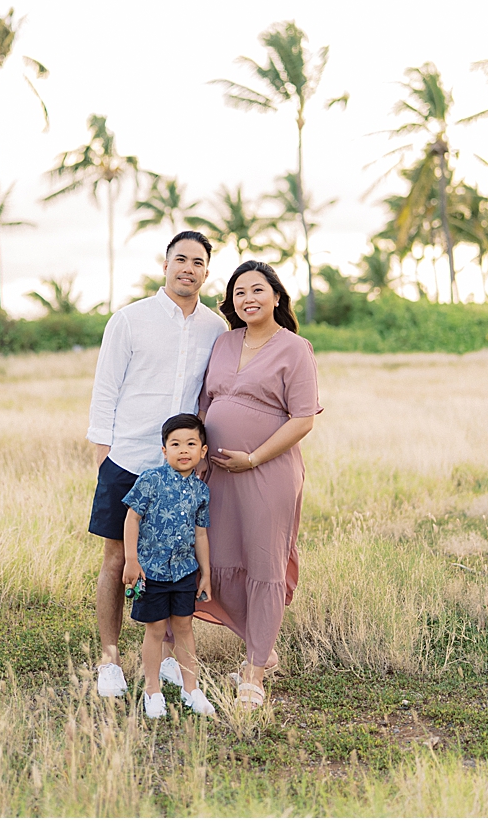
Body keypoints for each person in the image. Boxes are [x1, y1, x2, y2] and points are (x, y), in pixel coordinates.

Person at [86, 230, 228, 699]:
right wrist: (104, 454)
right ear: (164, 265)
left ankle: (168, 659)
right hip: (127, 456)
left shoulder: (215, 328)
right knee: (116, 560)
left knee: (175, 562)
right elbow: (105, 387)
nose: (189, 268)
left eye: (198, 262)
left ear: (207, 271)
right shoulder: (129, 320)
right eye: (180, 259)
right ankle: (110, 660)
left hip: (180, 469)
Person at [194, 260, 320, 708]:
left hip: (268, 471)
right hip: (218, 472)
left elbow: (303, 418)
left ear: (277, 297)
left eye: (257, 290)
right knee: (221, 558)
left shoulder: (295, 348)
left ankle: (253, 672)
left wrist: (254, 457)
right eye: (239, 292)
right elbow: (207, 403)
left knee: (264, 563)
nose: (248, 298)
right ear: (231, 301)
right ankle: (263, 651)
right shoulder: (223, 342)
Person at [122, 413, 216, 718]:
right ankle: (153, 691)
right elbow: (132, 518)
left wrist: (206, 574)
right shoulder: (151, 480)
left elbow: (200, 534)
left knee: (184, 626)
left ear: (203, 451)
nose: (183, 450)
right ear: (164, 450)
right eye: (175, 444)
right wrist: (131, 561)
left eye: (191, 443)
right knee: (156, 629)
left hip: (185, 571)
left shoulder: (201, 491)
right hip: (152, 572)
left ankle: (192, 689)